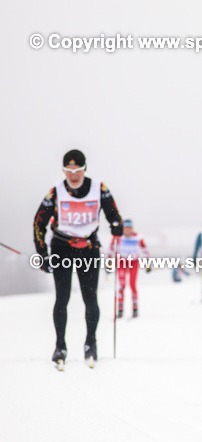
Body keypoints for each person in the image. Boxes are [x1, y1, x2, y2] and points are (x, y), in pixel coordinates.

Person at [32, 149, 124, 369]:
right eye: (69, 170)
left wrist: (117, 226)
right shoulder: (55, 192)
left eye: (78, 170)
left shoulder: (99, 189)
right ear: (64, 170)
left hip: (88, 248)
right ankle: (60, 346)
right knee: (62, 298)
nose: (73, 175)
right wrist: (42, 253)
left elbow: (114, 214)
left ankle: (90, 344)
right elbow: (39, 223)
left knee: (90, 297)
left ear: (84, 169)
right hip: (62, 247)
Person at [109, 219, 150, 318]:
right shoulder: (118, 237)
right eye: (125, 228)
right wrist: (109, 262)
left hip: (134, 261)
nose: (127, 231)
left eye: (129, 228)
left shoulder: (137, 237)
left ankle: (135, 308)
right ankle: (120, 307)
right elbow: (111, 249)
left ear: (132, 229)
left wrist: (147, 263)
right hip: (122, 261)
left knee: (132, 284)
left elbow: (144, 249)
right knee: (122, 285)